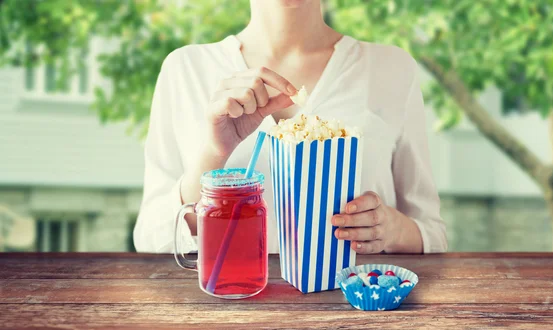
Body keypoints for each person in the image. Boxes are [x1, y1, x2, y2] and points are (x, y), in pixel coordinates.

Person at [134, 0, 447, 255]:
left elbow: (432, 234)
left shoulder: (391, 68)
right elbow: (151, 238)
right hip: (232, 312)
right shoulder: (186, 69)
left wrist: (391, 230)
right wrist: (215, 152)